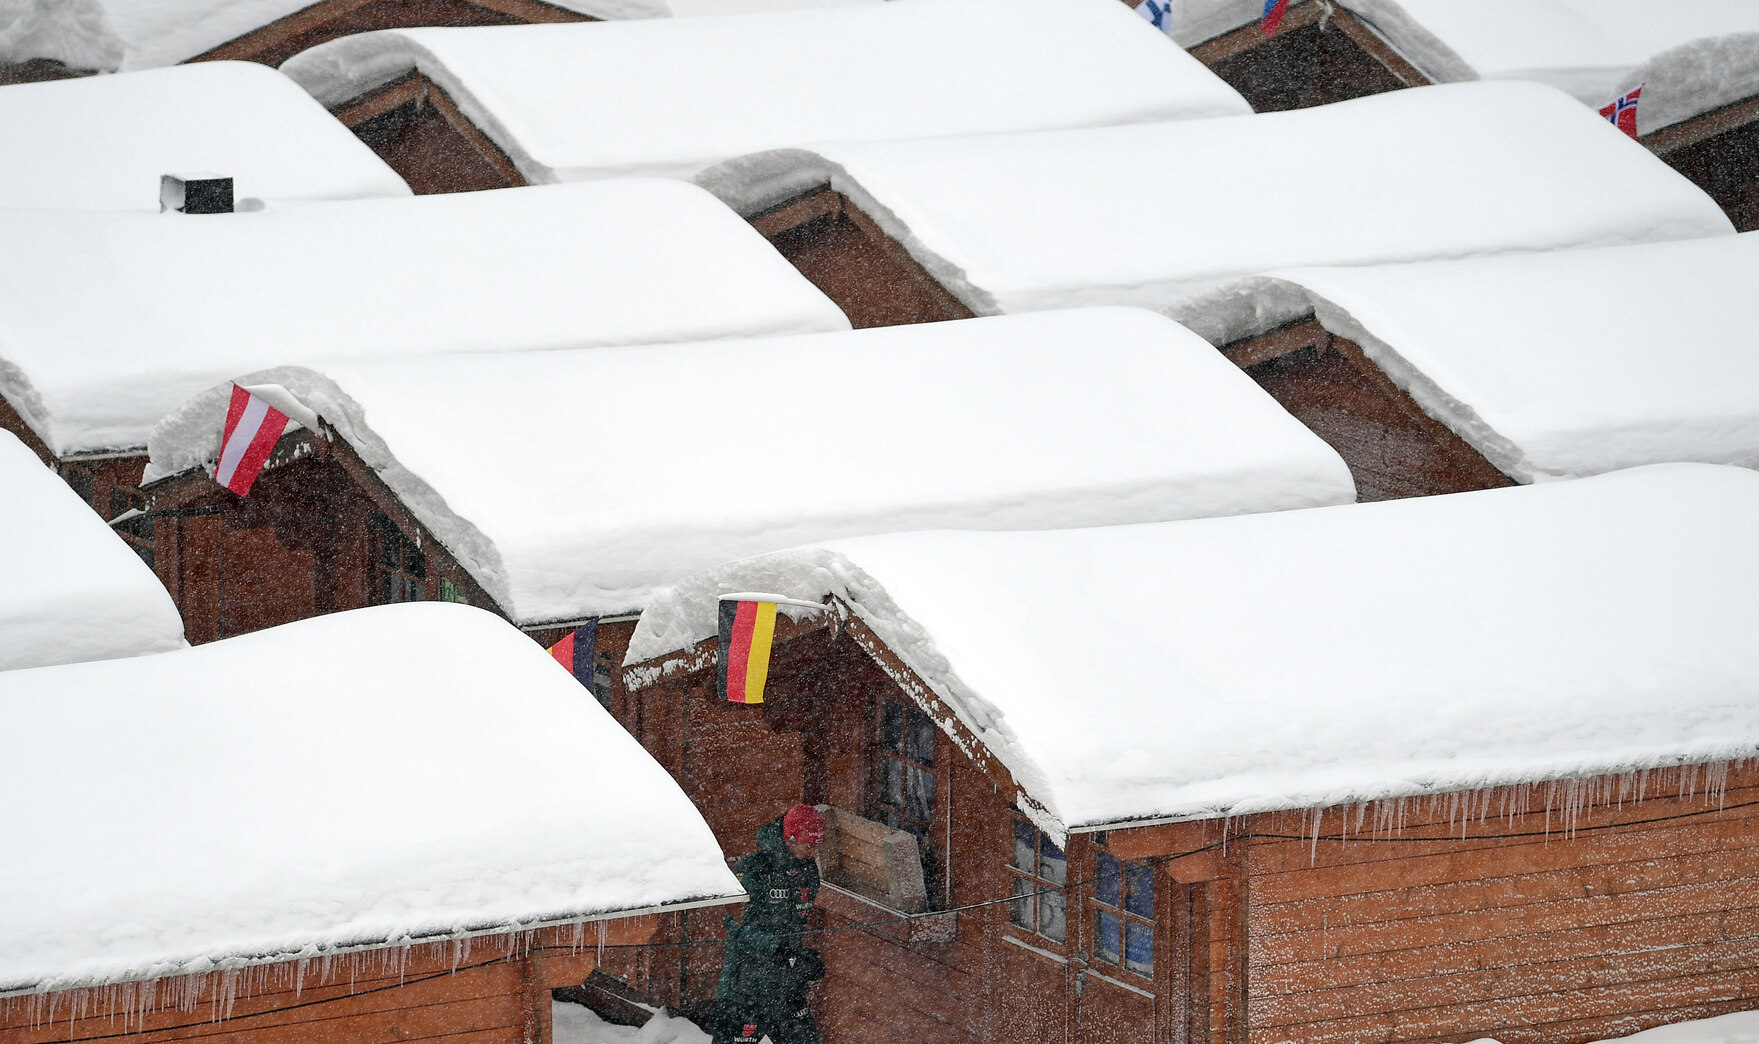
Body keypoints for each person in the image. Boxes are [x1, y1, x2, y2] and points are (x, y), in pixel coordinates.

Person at [711, 803, 827, 1044]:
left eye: (818, 847)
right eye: (810, 845)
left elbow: (792, 928)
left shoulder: (808, 872)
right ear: (791, 839)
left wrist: (802, 958)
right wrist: (778, 951)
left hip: (787, 992)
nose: (814, 853)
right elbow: (734, 923)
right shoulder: (752, 869)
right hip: (745, 992)